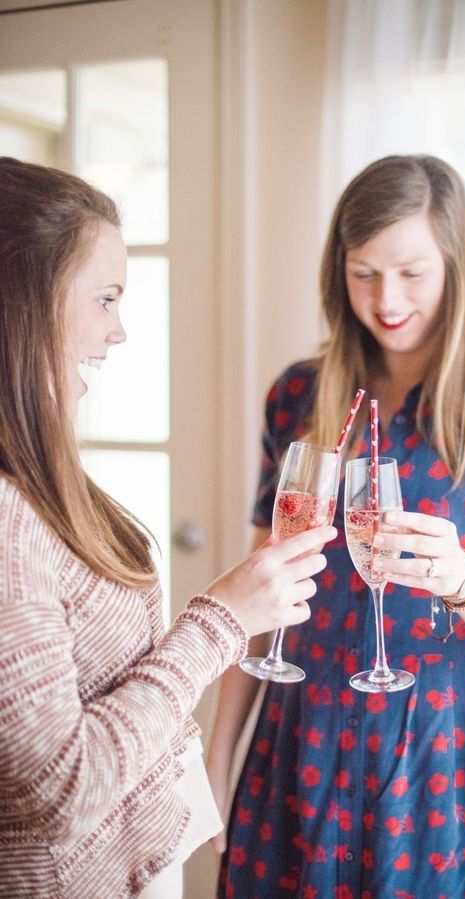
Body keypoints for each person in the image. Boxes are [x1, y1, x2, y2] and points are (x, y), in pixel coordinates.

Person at [207, 155, 465, 899]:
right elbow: (262, 592)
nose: (386, 299)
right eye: (364, 272)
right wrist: (216, 755)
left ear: (459, 264)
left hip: (448, 760)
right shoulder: (299, 396)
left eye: (412, 272)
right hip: (301, 740)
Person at [0, 156, 337, 899]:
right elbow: (62, 788)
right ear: (26, 301)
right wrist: (221, 621)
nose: (118, 331)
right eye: (105, 299)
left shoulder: (33, 471)